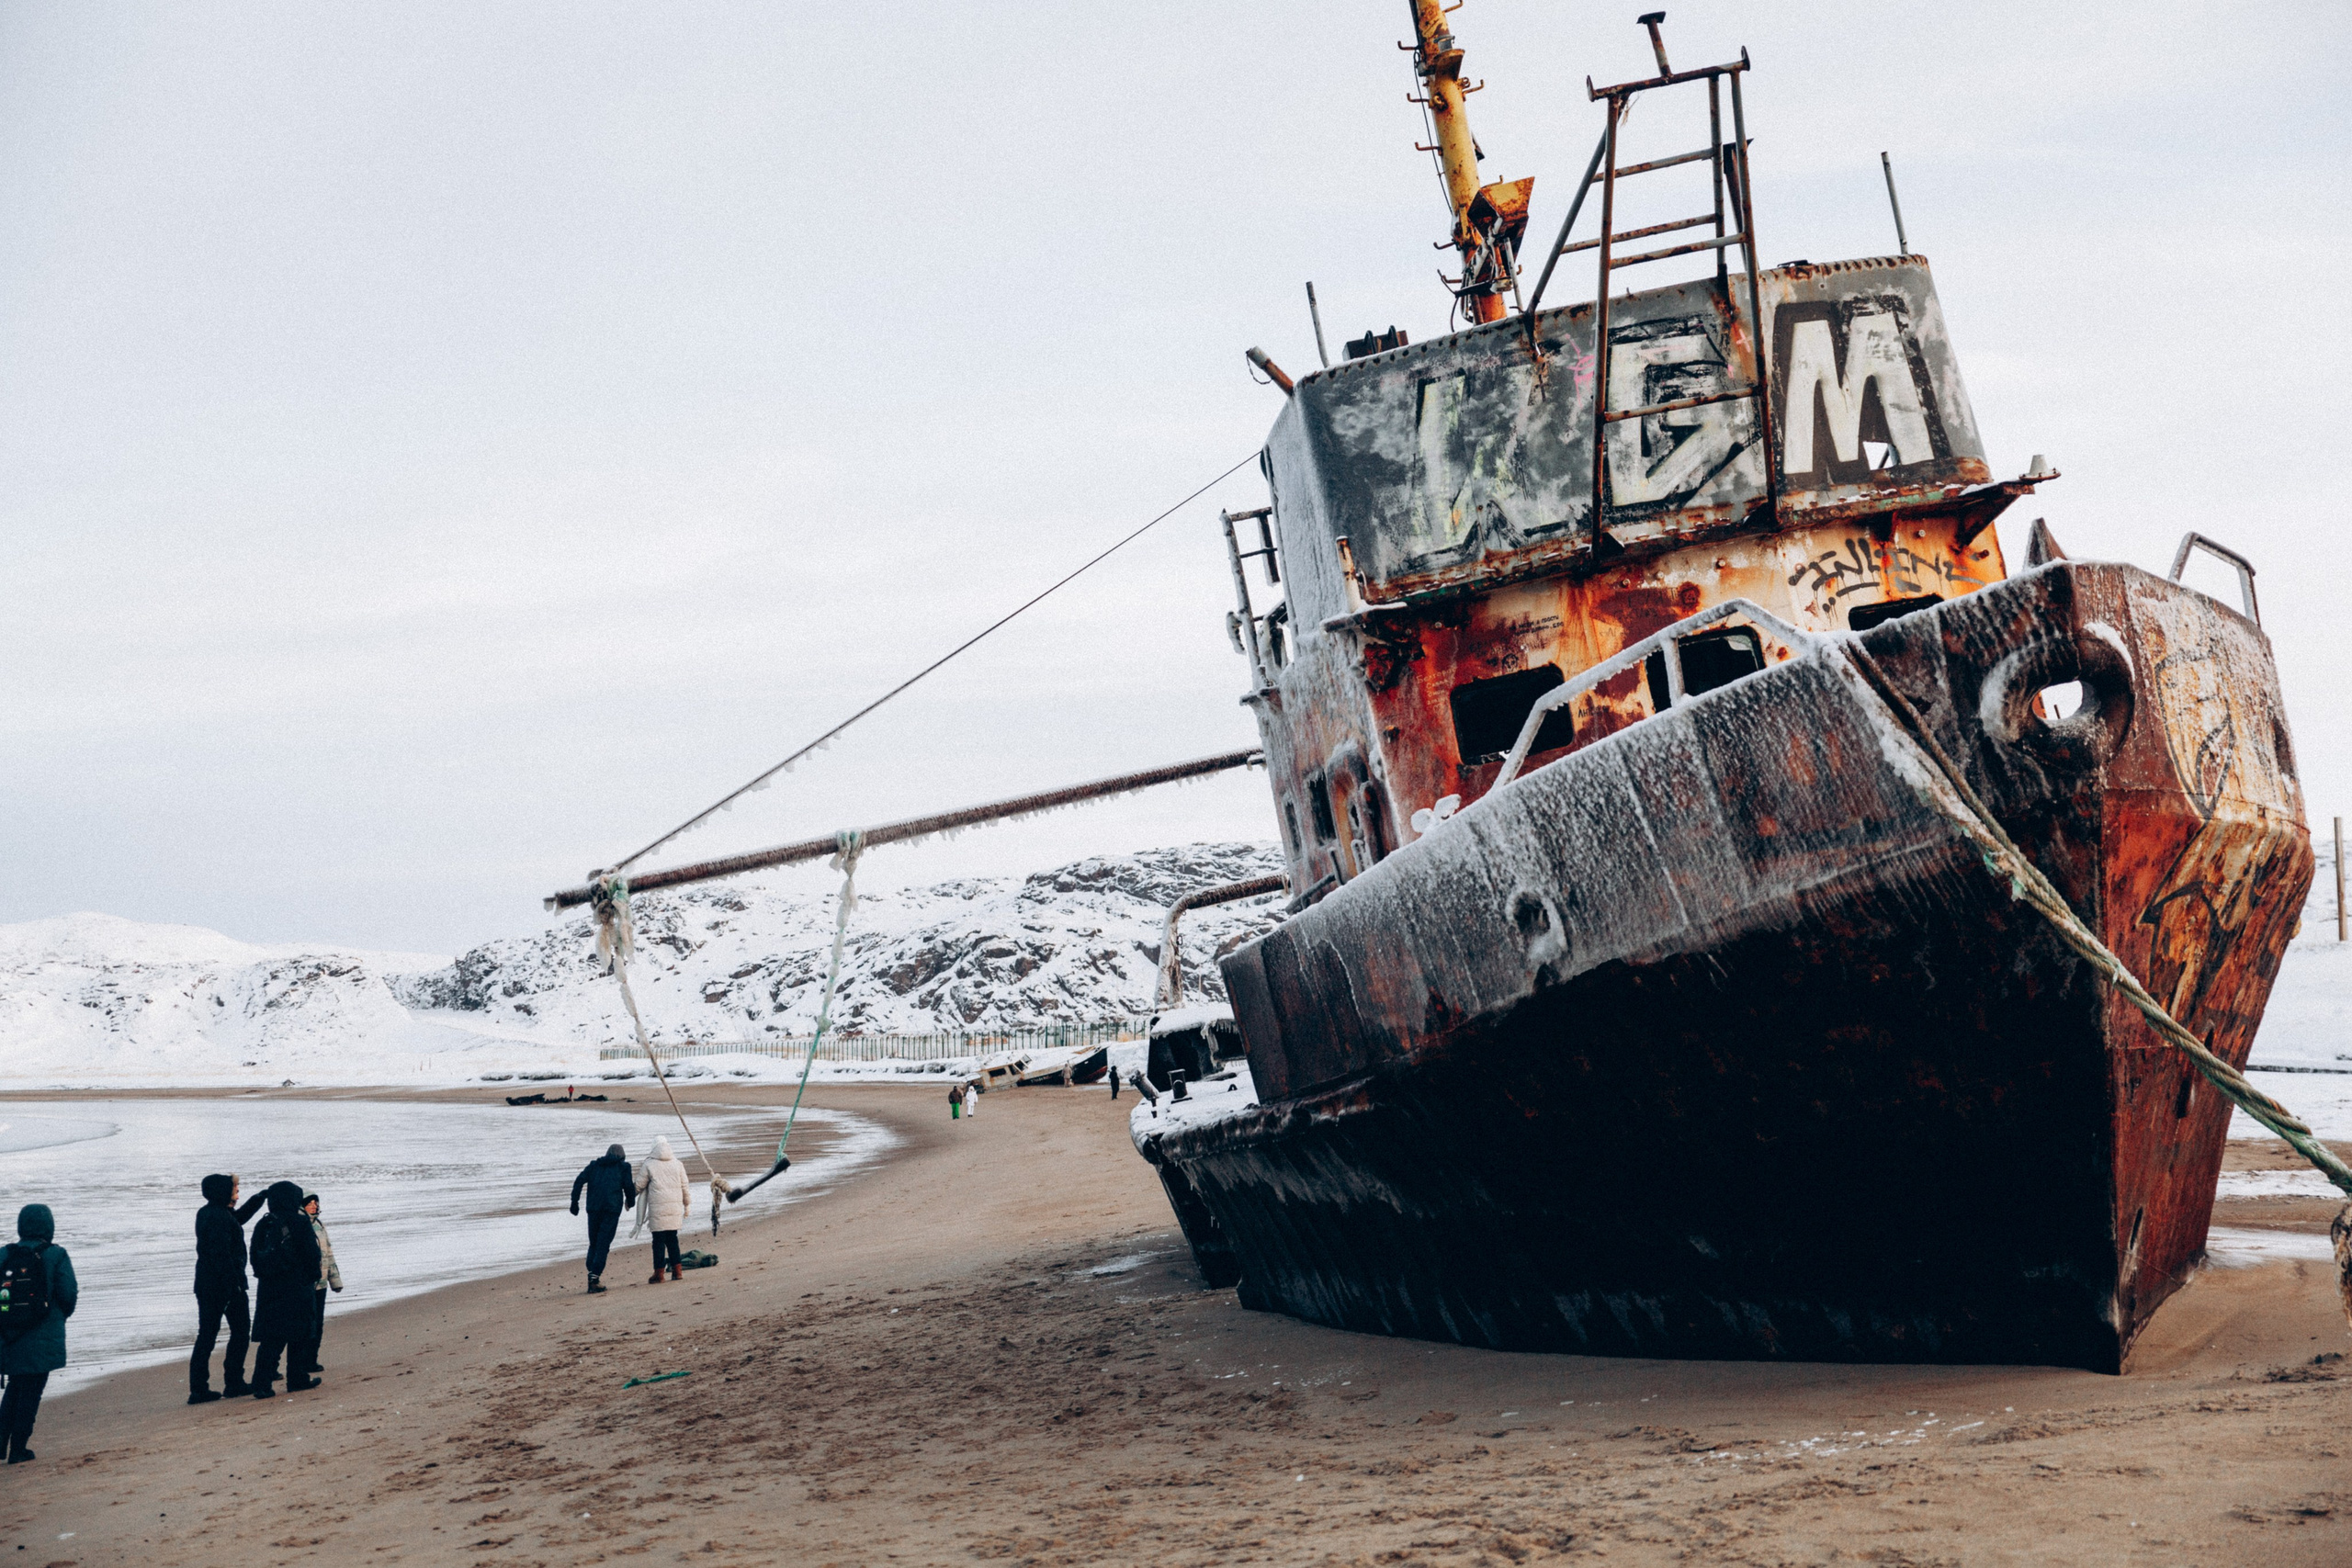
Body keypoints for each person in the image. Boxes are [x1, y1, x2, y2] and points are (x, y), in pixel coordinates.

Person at [0, 1204, 77, 1465]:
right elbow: (68, 1294)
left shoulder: (5, 1253)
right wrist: (57, 1318)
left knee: (15, 1386)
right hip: (42, 1334)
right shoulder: (55, 1254)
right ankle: (19, 1449)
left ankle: (1, 1445)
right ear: (49, 1226)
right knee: (31, 1390)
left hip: (9, 1335)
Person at [189, 1174, 266, 1404]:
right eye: (235, 1188)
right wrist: (234, 1285)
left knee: (209, 1335)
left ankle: (202, 1388)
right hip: (222, 1286)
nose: (237, 1192)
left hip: (208, 1284)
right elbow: (221, 1255)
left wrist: (259, 1198)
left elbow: (238, 1218)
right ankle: (230, 1383)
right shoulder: (217, 1216)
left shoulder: (212, 1212)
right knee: (238, 1332)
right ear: (223, 1191)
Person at [247, 1180, 322, 1397]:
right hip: (297, 1286)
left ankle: (261, 1384)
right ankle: (297, 1379)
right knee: (299, 1335)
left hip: (269, 1288)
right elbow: (311, 1254)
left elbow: (254, 1257)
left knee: (271, 1339)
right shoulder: (299, 1222)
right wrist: (311, 1278)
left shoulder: (264, 1223)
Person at [570, 1142, 635, 1293]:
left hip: (593, 1209)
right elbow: (628, 1187)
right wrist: (630, 1202)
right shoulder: (623, 1167)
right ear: (622, 1157)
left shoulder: (594, 1165)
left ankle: (592, 1274)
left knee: (594, 1242)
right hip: (611, 1210)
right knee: (603, 1244)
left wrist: (574, 1202)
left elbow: (579, 1181)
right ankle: (594, 1278)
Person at [636, 1136, 690, 1284]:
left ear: (653, 1147)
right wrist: (687, 1204)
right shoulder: (678, 1164)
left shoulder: (649, 1164)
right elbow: (685, 1186)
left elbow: (639, 1186)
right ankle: (677, 1271)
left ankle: (659, 1273)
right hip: (674, 1208)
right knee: (673, 1239)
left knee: (658, 1241)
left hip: (657, 1209)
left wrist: (627, 1198)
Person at [302, 1192, 342, 1375]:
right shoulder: (299, 1225)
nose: (313, 1206)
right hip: (305, 1285)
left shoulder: (319, 1225)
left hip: (321, 1283)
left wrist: (335, 1281)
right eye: (309, 1203)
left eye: (315, 1202)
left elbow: (329, 1255)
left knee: (317, 1324)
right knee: (303, 1325)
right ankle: (299, 1362)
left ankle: (311, 1360)